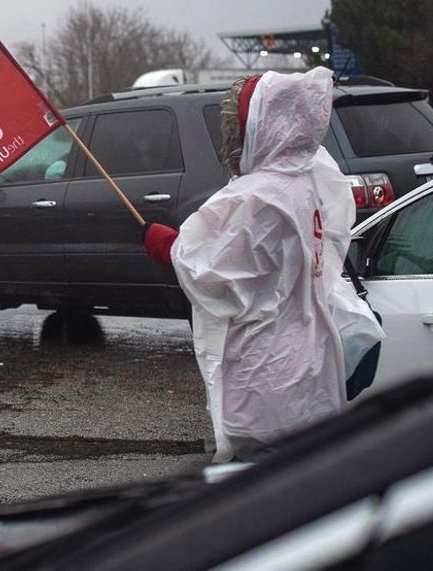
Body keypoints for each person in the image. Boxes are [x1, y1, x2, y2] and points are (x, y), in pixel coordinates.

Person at [142, 67, 357, 462]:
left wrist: (170, 246)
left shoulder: (256, 197)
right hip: (308, 358)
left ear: (264, 125)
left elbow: (214, 277)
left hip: (266, 374)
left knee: (264, 487)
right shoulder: (303, 181)